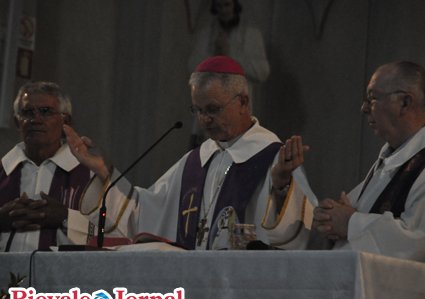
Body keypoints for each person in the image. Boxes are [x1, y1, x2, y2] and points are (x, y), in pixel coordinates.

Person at [64, 56, 314, 250]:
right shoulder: (196, 161)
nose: (204, 119)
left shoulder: (271, 156)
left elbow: (292, 232)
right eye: (197, 110)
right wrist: (104, 171)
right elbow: (145, 212)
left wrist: (280, 185)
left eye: (213, 109)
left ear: (243, 103)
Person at [311, 61, 425, 261]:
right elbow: (352, 214)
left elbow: (417, 242)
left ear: (405, 103)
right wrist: (330, 215)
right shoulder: (391, 158)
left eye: (373, 98)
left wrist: (349, 223)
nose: (364, 108)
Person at [0, 81, 93, 252]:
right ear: (17, 121)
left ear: (66, 121)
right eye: (27, 112)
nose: (36, 120)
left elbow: (112, 232)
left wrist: (66, 218)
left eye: (45, 112)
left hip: (66, 277)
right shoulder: (3, 170)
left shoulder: (89, 174)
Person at [188, 0, 270, 148]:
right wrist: (213, 54)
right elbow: (192, 67)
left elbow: (262, 72)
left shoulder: (251, 34)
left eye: (227, 5)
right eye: (219, 6)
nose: (223, 10)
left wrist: (231, 53)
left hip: (235, 111)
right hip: (208, 113)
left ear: (235, 5)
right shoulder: (206, 35)